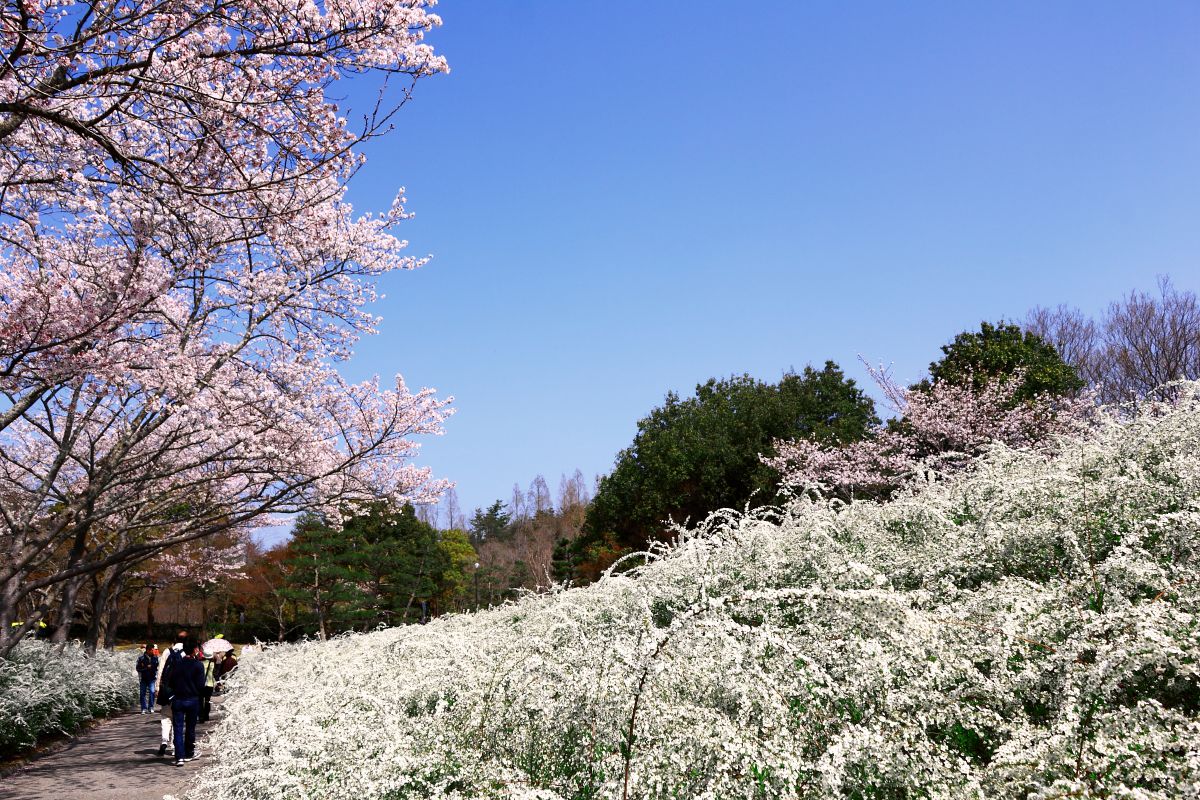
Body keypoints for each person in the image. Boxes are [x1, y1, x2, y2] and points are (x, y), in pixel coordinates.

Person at [166, 641, 205, 766]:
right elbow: (200, 685)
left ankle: (179, 757)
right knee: (190, 728)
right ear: (194, 650)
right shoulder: (198, 665)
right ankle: (189, 752)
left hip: (178, 699)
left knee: (177, 729)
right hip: (192, 699)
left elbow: (170, 682)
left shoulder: (177, 664)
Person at [135, 643, 159, 713]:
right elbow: (138, 668)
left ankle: (151, 707)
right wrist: (146, 668)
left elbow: (156, 668)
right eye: (152, 650)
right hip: (143, 679)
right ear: (148, 650)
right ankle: (143, 708)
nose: (153, 651)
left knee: (152, 692)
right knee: (142, 693)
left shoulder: (155, 658)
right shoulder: (141, 658)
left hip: (152, 678)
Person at [198, 649, 217, 723]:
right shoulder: (212, 664)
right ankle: (206, 715)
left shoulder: (200, 663)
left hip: (201, 684)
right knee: (207, 700)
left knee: (200, 700)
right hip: (209, 684)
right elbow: (214, 674)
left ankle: (201, 716)